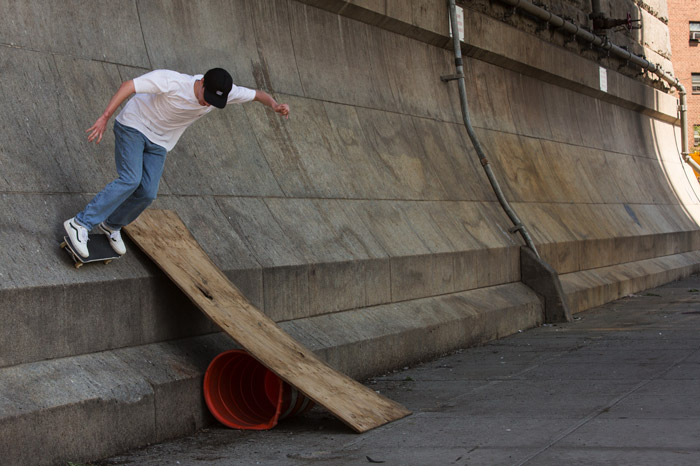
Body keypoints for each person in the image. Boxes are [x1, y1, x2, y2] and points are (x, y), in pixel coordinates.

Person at [63, 68, 289, 258]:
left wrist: (275, 105)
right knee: (131, 179)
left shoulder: (224, 93)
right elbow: (128, 85)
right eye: (206, 97)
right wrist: (104, 117)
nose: (206, 103)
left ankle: (111, 224)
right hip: (134, 126)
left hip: (160, 142)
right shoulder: (173, 82)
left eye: (213, 102)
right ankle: (80, 223)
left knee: (148, 193)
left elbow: (258, 95)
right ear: (201, 82)